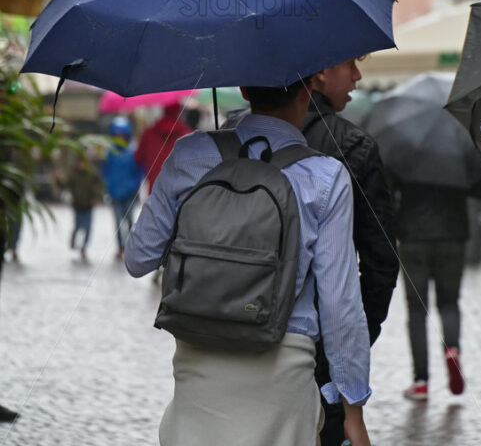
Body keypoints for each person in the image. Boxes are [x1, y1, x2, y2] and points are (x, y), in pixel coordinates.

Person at [125, 79, 372, 446]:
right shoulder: (326, 176)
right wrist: (352, 405)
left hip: (200, 361)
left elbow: (138, 258)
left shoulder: (190, 154)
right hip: (284, 368)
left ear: (243, 90)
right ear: (306, 93)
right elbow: (340, 303)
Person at [302, 59, 399, 446]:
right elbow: (380, 263)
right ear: (319, 72)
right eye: (350, 65)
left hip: (235, 346)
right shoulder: (352, 145)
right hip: (321, 357)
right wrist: (347, 349)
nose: (357, 77)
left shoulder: (229, 136)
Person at [392, 164, 481, 400]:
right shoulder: (459, 148)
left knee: (417, 309)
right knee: (449, 302)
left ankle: (421, 381)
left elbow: (387, 187)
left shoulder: (405, 148)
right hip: (452, 236)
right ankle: (453, 349)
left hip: (413, 236)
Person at [101, 117, 143, 260]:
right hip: (114, 193)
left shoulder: (133, 150)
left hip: (130, 193)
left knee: (130, 220)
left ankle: (130, 246)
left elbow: (140, 170)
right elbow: (105, 171)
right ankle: (120, 247)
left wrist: (136, 186)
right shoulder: (110, 152)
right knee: (118, 221)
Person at [134, 103, 192, 195]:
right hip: (181, 191)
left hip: (155, 189)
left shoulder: (149, 133)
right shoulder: (188, 135)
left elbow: (138, 157)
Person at [57, 155, 103, 261]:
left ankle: (84, 247)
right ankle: (73, 241)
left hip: (89, 205)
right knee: (77, 226)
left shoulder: (93, 174)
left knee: (88, 227)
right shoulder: (73, 174)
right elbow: (64, 185)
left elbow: (99, 186)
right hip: (78, 205)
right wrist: (57, 179)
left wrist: (96, 198)